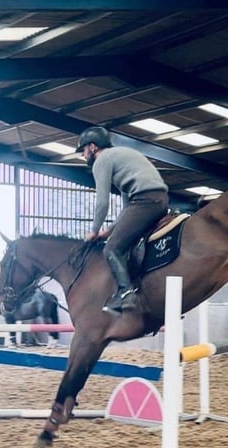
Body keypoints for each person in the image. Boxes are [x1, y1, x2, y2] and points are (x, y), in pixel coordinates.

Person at [76, 126, 170, 313]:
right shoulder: (122, 156)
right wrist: (109, 232)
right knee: (128, 244)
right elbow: (128, 208)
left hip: (145, 201)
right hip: (160, 199)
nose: (84, 155)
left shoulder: (101, 160)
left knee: (112, 248)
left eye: (83, 150)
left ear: (93, 147)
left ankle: (126, 293)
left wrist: (94, 231)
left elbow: (102, 202)